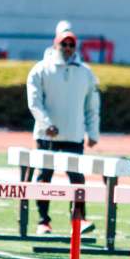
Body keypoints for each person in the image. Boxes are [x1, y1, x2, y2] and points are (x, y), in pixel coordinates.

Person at [27, 28, 100, 235]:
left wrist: (93, 133)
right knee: (44, 177)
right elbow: (34, 102)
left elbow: (92, 105)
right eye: (63, 44)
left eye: (71, 45)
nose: (67, 48)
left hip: (74, 134)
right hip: (46, 135)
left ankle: (79, 218)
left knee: (77, 178)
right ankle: (43, 221)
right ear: (55, 45)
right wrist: (46, 124)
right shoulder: (40, 69)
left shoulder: (85, 72)